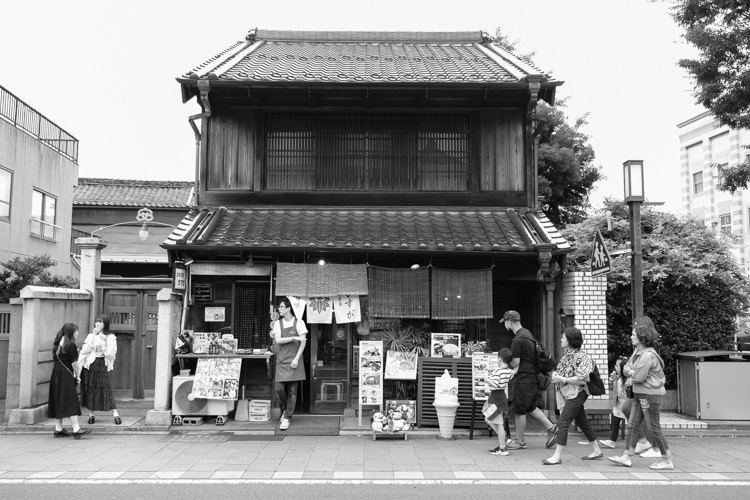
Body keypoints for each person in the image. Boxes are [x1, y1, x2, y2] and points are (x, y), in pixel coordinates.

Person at [609, 320, 673, 470]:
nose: (631, 337)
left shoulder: (647, 355)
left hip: (648, 395)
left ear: (642, 338)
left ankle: (667, 459)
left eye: (633, 335)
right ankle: (626, 456)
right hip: (640, 394)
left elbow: (638, 377)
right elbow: (628, 369)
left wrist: (630, 372)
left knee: (654, 428)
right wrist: (631, 371)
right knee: (632, 426)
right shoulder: (638, 353)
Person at [542, 327, 602, 465]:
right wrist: (558, 376)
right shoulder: (568, 355)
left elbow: (584, 379)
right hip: (571, 393)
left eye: (563, 337)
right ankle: (597, 450)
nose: (561, 339)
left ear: (569, 340)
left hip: (578, 393)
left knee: (563, 422)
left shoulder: (581, 357)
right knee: (582, 422)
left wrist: (562, 379)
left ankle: (557, 456)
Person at [502, 310, 557, 450]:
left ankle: (520, 441)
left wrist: (505, 361)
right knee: (531, 407)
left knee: (519, 410)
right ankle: (552, 428)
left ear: (509, 322)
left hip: (524, 379)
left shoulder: (517, 340)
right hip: (532, 377)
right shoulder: (528, 334)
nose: (505, 326)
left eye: (505, 323)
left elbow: (515, 363)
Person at [47, 323, 92, 439]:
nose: (78, 333)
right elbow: (75, 364)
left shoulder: (57, 344)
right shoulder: (71, 345)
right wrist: (78, 376)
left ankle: (58, 429)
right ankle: (76, 429)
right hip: (66, 376)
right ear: (71, 333)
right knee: (70, 400)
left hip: (56, 375)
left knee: (58, 400)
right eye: (76, 331)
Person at [598, 357, 652, 452]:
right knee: (615, 423)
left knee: (633, 424)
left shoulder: (629, 380)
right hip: (619, 404)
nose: (615, 367)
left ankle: (641, 441)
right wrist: (613, 379)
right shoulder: (618, 378)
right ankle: (612, 441)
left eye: (617, 366)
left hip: (627, 404)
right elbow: (614, 390)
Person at [272, 298, 308, 431]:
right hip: (282, 361)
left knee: (292, 391)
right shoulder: (278, 324)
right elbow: (278, 340)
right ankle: (286, 410)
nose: (279, 309)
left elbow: (303, 342)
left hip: (294, 361)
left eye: (281, 307)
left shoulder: (299, 323)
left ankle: (287, 418)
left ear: (288, 308)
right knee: (279, 389)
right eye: (279, 307)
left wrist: (296, 359)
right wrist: (293, 338)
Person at [79, 315, 121, 425]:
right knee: (89, 389)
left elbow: (111, 354)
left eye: (100, 322)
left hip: (101, 364)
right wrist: (93, 336)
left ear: (105, 324)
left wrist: (103, 344)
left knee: (105, 388)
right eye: (96, 322)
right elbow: (84, 350)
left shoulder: (111, 337)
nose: (97, 324)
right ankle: (91, 415)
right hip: (89, 365)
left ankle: (115, 414)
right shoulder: (90, 336)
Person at [485, 348, 513, 456]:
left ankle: (502, 448)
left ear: (499, 359)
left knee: (498, 422)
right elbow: (512, 373)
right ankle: (504, 440)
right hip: (501, 397)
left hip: (496, 398)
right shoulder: (509, 371)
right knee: (488, 418)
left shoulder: (497, 371)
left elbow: (495, 384)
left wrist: (487, 380)